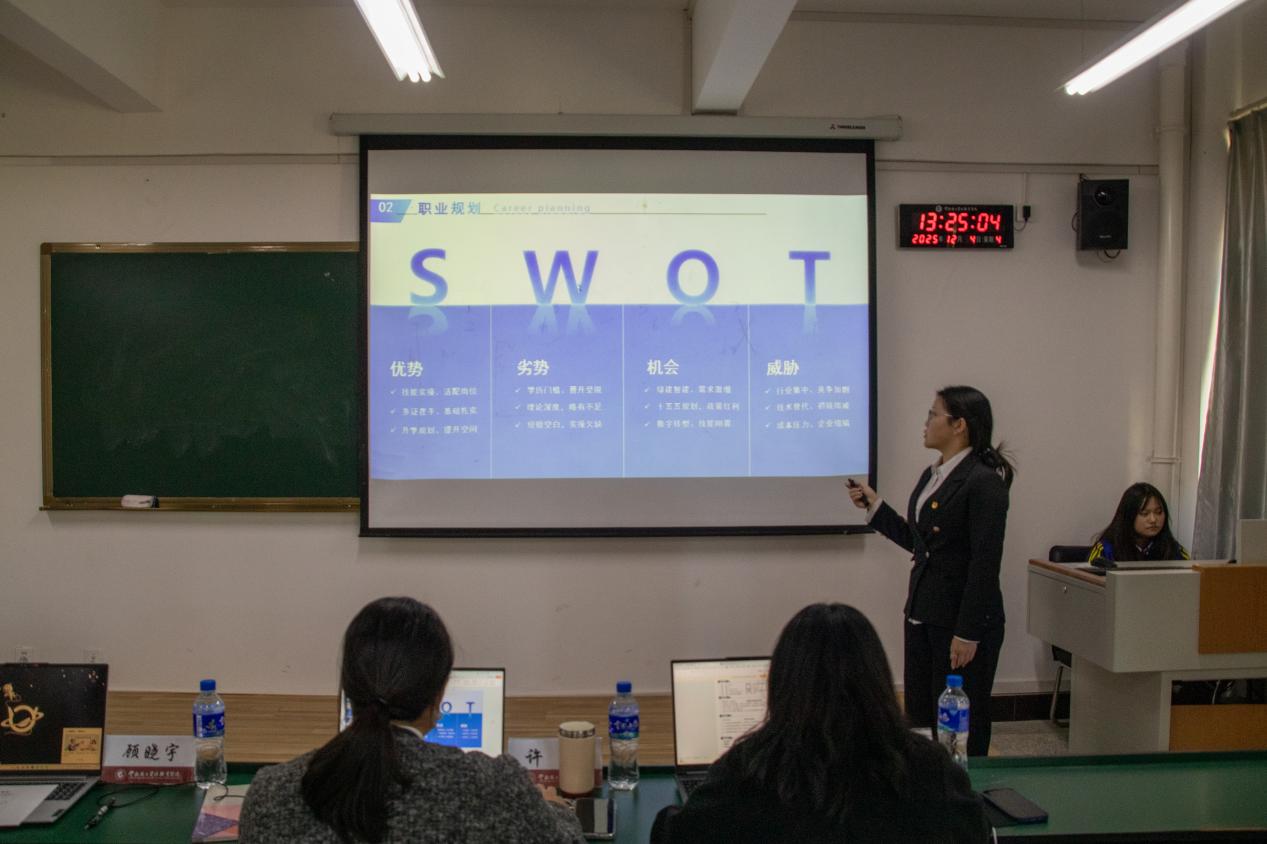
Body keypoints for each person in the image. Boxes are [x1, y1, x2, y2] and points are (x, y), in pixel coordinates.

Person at [240, 596, 583, 844]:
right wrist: (557, 810)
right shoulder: (494, 788)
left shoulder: (270, 794)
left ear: (348, 686)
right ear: (439, 695)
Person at [650, 603, 989, 844]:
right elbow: (976, 829)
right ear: (878, 681)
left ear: (781, 684)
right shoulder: (928, 769)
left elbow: (677, 833)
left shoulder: (747, 771)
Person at [848, 385, 1014, 757]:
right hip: (923, 611)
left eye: (933, 415)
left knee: (959, 723)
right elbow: (924, 545)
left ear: (959, 425)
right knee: (920, 716)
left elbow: (985, 562)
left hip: (960, 621)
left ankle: (965, 786)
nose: (925, 423)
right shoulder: (933, 474)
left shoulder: (983, 481)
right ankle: (924, 781)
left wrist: (968, 632)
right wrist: (876, 508)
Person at [1088, 482, 1189, 565]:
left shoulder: (1174, 550)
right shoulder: (1106, 550)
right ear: (1129, 516)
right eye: (1144, 513)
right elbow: (1092, 580)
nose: (1153, 519)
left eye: (1158, 512)